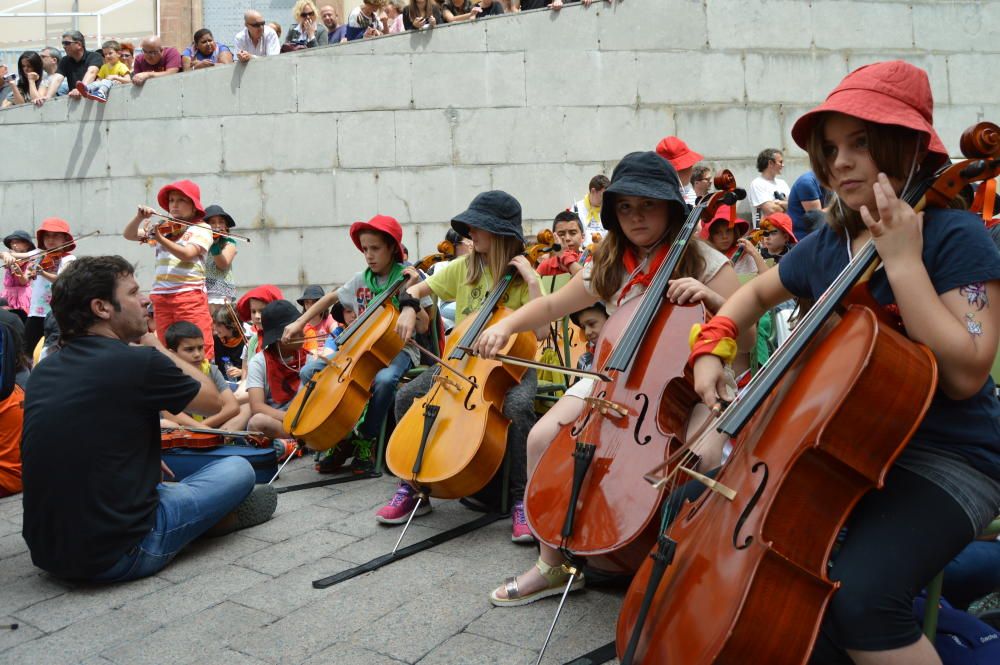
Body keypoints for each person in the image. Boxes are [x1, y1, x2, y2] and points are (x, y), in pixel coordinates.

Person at [692, 60, 1000, 665]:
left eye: (861, 142)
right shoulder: (831, 243)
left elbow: (966, 371)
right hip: (849, 450)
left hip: (950, 458)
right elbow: (752, 294)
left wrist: (903, 260)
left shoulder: (953, 235)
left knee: (861, 597)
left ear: (909, 145)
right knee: (787, 565)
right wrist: (713, 348)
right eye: (830, 148)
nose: (841, 162)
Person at [472, 151, 748, 605]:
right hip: (619, 376)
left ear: (672, 209)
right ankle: (554, 564)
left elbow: (748, 327)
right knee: (542, 436)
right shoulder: (613, 260)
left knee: (707, 453)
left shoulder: (705, 260)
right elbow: (549, 307)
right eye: (625, 207)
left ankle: (695, 566)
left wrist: (711, 299)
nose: (636, 217)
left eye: (648, 206)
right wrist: (504, 325)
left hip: (694, 378)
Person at [21, 256, 277, 582]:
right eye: (133, 293)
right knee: (239, 469)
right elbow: (214, 401)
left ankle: (199, 515)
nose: (146, 300)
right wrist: (157, 345)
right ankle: (210, 522)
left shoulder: (44, 370)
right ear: (102, 308)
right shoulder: (138, 361)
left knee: (170, 469)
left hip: (48, 553)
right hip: (122, 552)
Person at [375, 191, 549, 537]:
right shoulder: (464, 267)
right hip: (459, 364)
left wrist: (531, 281)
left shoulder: (522, 278)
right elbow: (413, 291)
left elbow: (542, 331)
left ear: (499, 234)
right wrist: (409, 308)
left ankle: (520, 500)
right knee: (406, 395)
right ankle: (412, 486)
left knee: (516, 405)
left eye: (479, 227)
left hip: (510, 366)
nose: (471, 232)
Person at [283, 215, 433, 473]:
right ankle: (336, 435)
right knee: (310, 371)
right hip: (359, 347)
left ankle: (366, 436)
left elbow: (424, 326)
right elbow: (330, 298)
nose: (369, 255)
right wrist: (299, 322)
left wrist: (411, 293)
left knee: (385, 380)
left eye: (375, 249)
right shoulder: (361, 279)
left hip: (398, 348)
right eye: (365, 249)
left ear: (391, 248)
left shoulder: (409, 277)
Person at [123, 180, 215, 359]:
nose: (175, 205)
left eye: (181, 200)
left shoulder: (201, 228)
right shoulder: (165, 228)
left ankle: (207, 379)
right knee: (167, 345)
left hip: (188, 295)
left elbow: (188, 254)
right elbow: (129, 235)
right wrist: (139, 218)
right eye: (172, 200)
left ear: (194, 206)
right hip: (161, 296)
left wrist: (159, 238)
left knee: (197, 342)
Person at [245, 299, 308, 447]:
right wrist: (290, 418)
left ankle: (291, 444)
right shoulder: (259, 362)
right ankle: (296, 443)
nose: (303, 333)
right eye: (297, 330)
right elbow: (257, 407)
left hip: (307, 422)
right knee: (257, 422)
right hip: (279, 422)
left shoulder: (310, 360)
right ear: (282, 337)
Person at [161, 321, 241, 429]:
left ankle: (221, 438)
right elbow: (171, 415)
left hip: (206, 426)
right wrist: (200, 429)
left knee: (246, 408)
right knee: (167, 424)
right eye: (189, 349)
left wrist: (202, 428)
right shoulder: (166, 376)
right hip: (182, 430)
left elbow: (232, 406)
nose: (197, 354)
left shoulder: (210, 369)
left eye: (200, 348)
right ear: (172, 354)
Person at [22, 218, 77, 357]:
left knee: (53, 352)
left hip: (56, 313)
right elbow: (18, 256)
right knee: (26, 352)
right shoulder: (38, 255)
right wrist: (5, 255)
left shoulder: (69, 259)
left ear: (65, 239)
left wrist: (42, 272)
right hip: (36, 312)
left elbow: (61, 278)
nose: (50, 239)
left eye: (56, 235)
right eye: (47, 235)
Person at [39, 31, 102, 106]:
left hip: (95, 102)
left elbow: (92, 72)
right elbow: (57, 79)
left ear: (78, 44)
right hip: (76, 102)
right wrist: (48, 97)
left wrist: (81, 90)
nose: (64, 46)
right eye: (63, 44)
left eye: (67, 43)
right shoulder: (65, 60)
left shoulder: (94, 56)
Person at [699, 204, 756, 276]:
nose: (724, 236)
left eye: (728, 230)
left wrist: (755, 254)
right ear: (709, 235)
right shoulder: (703, 259)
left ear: (735, 231)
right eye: (717, 232)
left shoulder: (744, 253)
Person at [203, 204, 239, 309]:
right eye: (212, 222)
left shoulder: (229, 243)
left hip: (220, 293)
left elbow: (223, 264)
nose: (217, 225)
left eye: (221, 222)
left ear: (226, 226)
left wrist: (215, 246)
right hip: (202, 291)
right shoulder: (201, 242)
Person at [655, 136, 704, 206]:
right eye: (688, 165)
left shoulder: (687, 190)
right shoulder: (660, 198)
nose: (691, 169)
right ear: (675, 171)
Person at [748, 147, 791, 225]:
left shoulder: (783, 183)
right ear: (770, 163)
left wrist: (779, 203)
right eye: (780, 162)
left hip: (784, 231)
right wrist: (786, 204)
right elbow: (771, 210)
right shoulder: (757, 184)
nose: (783, 165)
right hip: (764, 234)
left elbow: (794, 206)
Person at [536, 210, 585, 277]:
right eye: (561, 234)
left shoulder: (590, 261)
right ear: (553, 238)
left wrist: (564, 255)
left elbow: (587, 282)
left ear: (582, 237)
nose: (567, 238)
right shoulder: (546, 266)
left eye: (573, 233)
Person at [787, 170, 828, 240]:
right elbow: (817, 218)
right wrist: (841, 207)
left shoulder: (832, 181)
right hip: (802, 237)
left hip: (819, 233)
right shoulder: (807, 182)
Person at [2, 231, 34, 319]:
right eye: (12, 243)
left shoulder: (31, 262)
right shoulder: (9, 257)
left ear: (27, 245)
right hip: (7, 295)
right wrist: (5, 254)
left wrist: (18, 270)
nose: (14, 245)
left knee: (22, 320)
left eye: (17, 242)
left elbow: (24, 281)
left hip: (22, 296)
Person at [572, 174, 610, 238]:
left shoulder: (610, 210)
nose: (606, 199)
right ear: (593, 191)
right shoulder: (576, 209)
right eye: (603, 196)